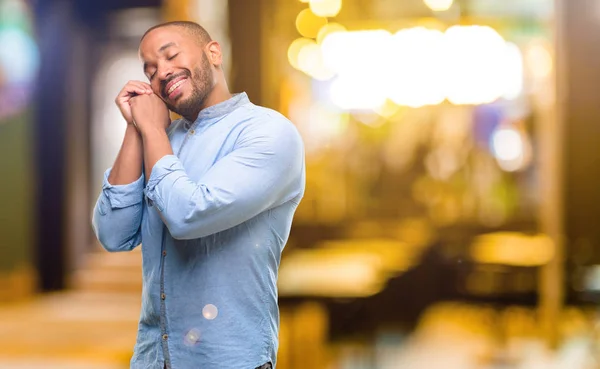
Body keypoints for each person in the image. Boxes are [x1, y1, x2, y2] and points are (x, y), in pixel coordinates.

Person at [92, 21, 305, 369]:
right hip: (152, 359)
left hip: (231, 361)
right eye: (149, 70)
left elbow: (188, 214)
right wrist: (136, 127)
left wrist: (150, 130)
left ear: (214, 52)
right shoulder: (160, 139)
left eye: (170, 55)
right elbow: (114, 235)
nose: (161, 72)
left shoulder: (269, 133)